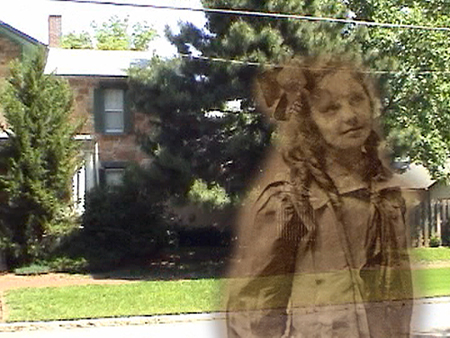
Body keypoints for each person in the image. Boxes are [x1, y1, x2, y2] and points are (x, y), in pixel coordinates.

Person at [225, 55, 413, 338]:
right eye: (330, 109)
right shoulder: (291, 199)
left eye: (357, 100)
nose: (350, 115)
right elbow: (255, 308)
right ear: (309, 124)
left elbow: (397, 297)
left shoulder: (386, 195)